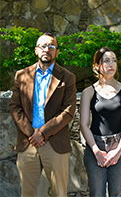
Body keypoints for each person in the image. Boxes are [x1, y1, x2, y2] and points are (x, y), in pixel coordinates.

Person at [9, 33, 77, 196]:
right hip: (28, 142)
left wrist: (43, 133)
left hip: (55, 143)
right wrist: (32, 133)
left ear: (57, 52)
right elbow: (15, 106)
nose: (47, 49)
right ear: (36, 50)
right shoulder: (22, 75)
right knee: (28, 193)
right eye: (43, 46)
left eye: (51, 46)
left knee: (59, 193)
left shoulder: (67, 77)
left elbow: (68, 111)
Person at [80, 47, 121, 197]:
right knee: (97, 193)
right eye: (106, 61)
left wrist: (117, 152)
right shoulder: (88, 92)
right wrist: (96, 151)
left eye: (114, 61)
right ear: (97, 66)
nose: (111, 64)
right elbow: (84, 124)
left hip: (119, 147)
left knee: (118, 193)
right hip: (94, 146)